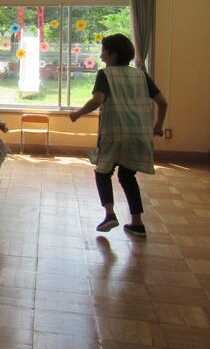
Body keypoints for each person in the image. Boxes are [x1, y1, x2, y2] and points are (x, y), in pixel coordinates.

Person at [69, 34, 167, 238]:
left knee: (102, 172)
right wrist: (158, 125)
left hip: (114, 133)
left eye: (103, 51)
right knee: (127, 176)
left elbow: (98, 100)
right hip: (139, 135)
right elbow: (162, 102)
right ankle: (137, 223)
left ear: (113, 54)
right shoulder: (141, 75)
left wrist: (78, 113)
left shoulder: (106, 74)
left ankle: (110, 214)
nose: (101, 55)